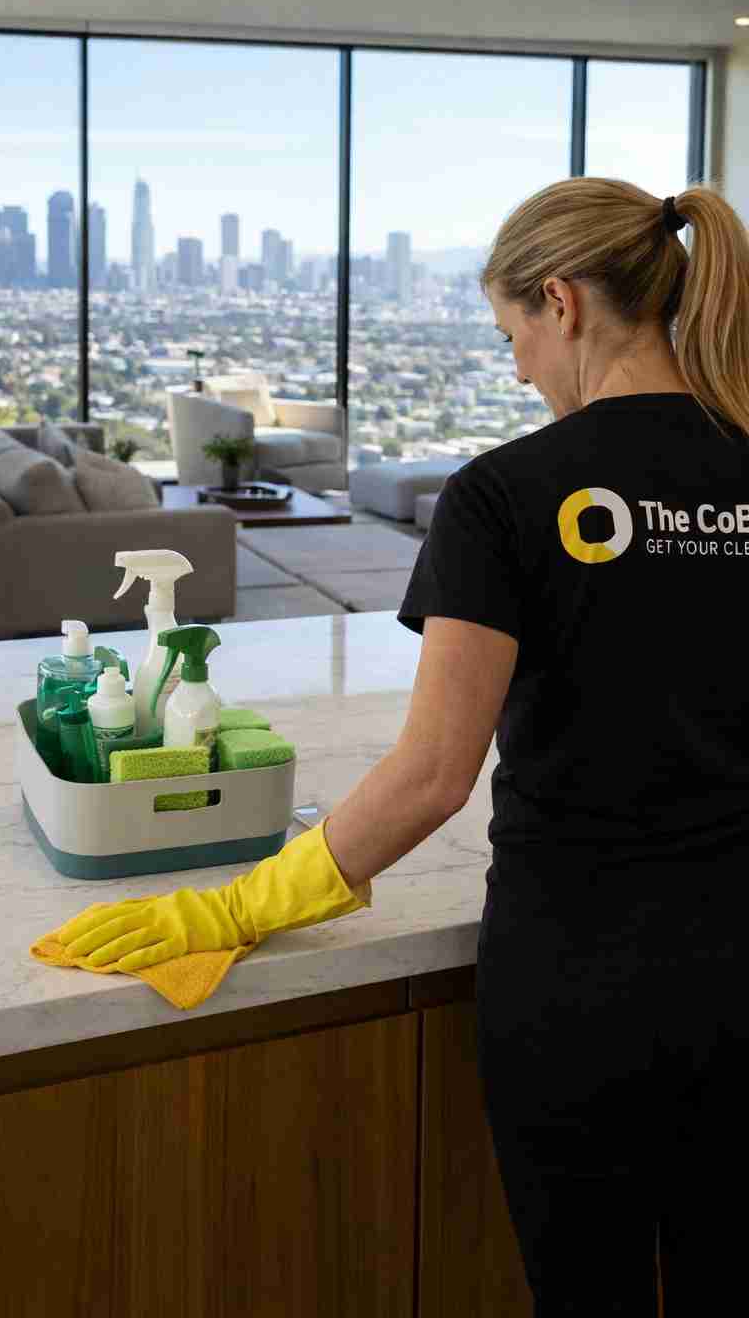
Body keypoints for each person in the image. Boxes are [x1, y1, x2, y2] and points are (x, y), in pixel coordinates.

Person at [46, 177, 749, 1316]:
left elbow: (432, 775)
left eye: (511, 332)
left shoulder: (506, 496)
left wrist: (234, 909)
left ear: (560, 302)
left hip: (584, 992)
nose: (517, 365)